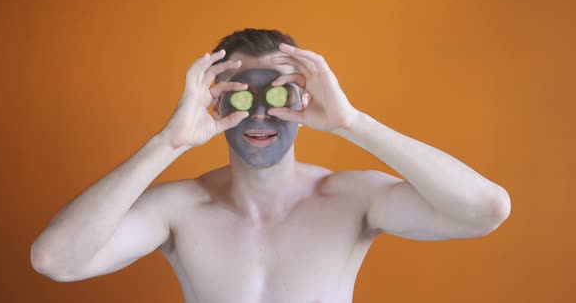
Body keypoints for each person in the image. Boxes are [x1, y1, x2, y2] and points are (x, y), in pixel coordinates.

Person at [30, 28, 511, 303]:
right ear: (216, 104)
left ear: (305, 98)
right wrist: (168, 142)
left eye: (278, 93)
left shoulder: (353, 200)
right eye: (241, 93)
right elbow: (56, 261)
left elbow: (485, 209)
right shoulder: (180, 209)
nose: (260, 113)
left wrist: (351, 123)